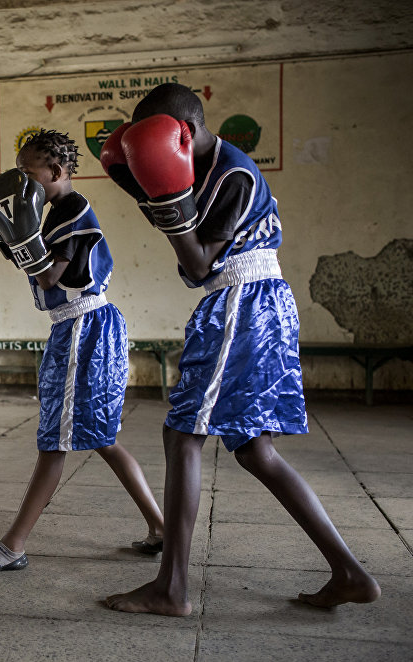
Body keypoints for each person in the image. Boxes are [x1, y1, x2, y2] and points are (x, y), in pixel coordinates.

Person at [101, 83, 380, 615]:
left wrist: (162, 200)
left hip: (243, 302)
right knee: (253, 450)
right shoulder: (202, 169)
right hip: (253, 302)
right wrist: (151, 195)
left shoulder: (233, 172)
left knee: (183, 433)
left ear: (179, 132)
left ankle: (172, 588)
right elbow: (193, 267)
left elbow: (200, 264)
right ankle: (348, 571)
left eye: (152, 142)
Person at [0, 130, 165, 574]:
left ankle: (14, 546)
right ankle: (160, 526)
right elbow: (30, 264)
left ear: (56, 171)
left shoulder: (72, 211)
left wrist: (20, 234)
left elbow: (50, 278)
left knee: (55, 441)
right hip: (80, 327)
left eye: (28, 175)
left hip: (83, 328)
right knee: (102, 438)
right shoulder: (53, 212)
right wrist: (4, 228)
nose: (22, 185)